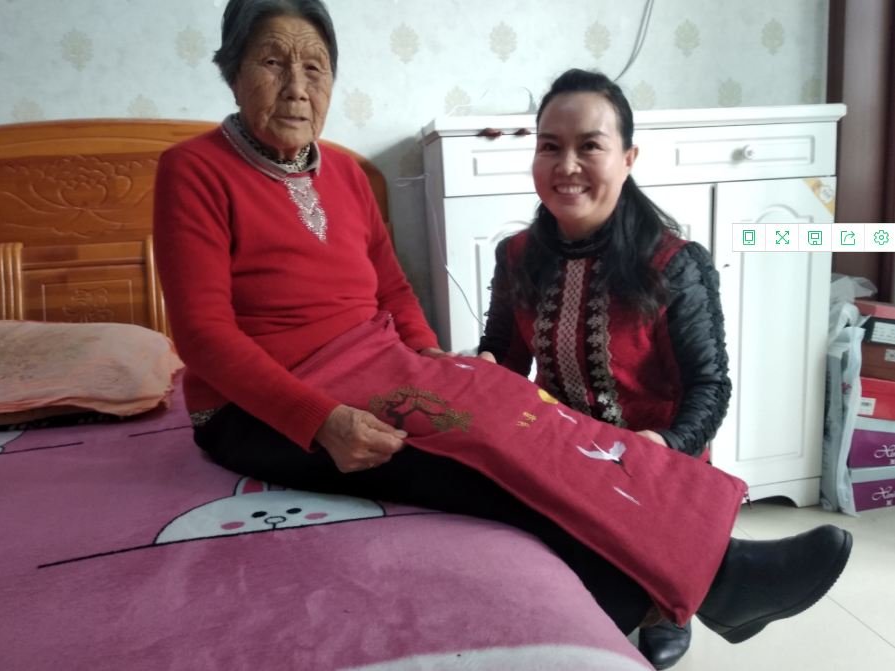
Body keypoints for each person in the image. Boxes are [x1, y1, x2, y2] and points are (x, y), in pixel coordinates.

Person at [153, 0, 852, 650]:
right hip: (262, 406)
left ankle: (710, 564)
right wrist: (321, 421)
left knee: (531, 417)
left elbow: (392, 287)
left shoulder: (347, 173)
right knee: (477, 455)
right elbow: (202, 335)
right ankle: (683, 589)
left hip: (377, 366)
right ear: (233, 70)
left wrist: (429, 357)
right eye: (273, 61)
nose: (297, 88)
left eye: (315, 67)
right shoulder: (193, 170)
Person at [478, 69, 726, 668]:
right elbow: (503, 353)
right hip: (560, 457)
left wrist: (662, 446)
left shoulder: (675, 263)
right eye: (550, 146)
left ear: (628, 157)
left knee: (622, 613)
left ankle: (675, 596)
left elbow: (709, 386)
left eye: (589, 145)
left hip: (652, 465)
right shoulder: (516, 255)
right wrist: (481, 372)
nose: (566, 166)